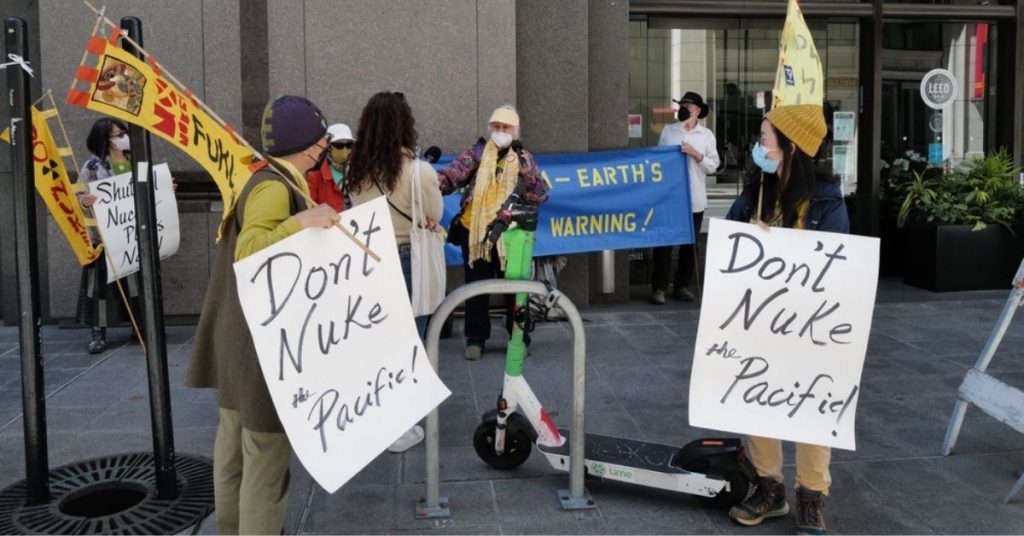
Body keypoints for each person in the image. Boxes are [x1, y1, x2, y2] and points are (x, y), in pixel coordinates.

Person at [186, 95, 339, 535]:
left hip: (235, 340)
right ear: (311, 146)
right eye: (323, 140)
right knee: (266, 462)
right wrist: (302, 222)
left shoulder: (260, 177)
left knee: (232, 451)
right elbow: (249, 251)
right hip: (261, 350)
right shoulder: (276, 187)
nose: (325, 147)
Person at [724, 103, 848, 535]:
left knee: (813, 405)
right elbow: (729, 240)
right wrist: (746, 233)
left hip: (810, 324)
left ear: (790, 146)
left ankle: (811, 496)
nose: (758, 146)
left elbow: (836, 259)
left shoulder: (827, 199)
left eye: (764, 139)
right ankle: (769, 488)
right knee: (759, 401)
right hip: (760, 318)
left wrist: (777, 244)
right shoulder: (758, 189)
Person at [347, 91, 441, 453]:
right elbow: (434, 214)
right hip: (407, 259)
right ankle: (399, 427)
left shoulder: (358, 169)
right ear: (406, 125)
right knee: (410, 343)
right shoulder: (419, 171)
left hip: (368, 260)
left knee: (378, 342)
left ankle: (376, 416)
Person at [436, 105, 548, 361]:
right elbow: (453, 174)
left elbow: (540, 195)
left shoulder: (524, 159)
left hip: (512, 234)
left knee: (515, 287)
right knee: (476, 287)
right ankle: (475, 339)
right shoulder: (476, 153)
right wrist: (431, 181)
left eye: (505, 127)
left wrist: (526, 173)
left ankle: (518, 337)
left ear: (515, 130)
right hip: (475, 234)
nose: (500, 131)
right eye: (496, 127)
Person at [76, 117, 142, 354]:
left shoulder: (137, 161)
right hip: (103, 238)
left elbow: (150, 188)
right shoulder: (92, 168)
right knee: (99, 288)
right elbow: (78, 197)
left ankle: (141, 327)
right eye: (117, 135)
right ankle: (97, 333)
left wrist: (165, 187)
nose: (123, 137)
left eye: (123, 132)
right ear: (105, 140)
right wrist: (84, 200)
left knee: (137, 286)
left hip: (132, 235)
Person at [651, 91, 720, 304]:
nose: (683, 108)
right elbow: (658, 161)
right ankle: (659, 288)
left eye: (688, 106)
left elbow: (713, 165)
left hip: (695, 198)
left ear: (697, 110)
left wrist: (695, 154)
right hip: (671, 197)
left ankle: (682, 286)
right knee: (664, 243)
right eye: (681, 104)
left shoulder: (706, 135)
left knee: (689, 246)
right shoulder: (669, 131)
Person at [307, 122, 354, 212]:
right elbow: (310, 209)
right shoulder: (314, 175)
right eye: (339, 145)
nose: (345, 150)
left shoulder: (360, 171)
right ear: (328, 147)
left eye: (349, 145)